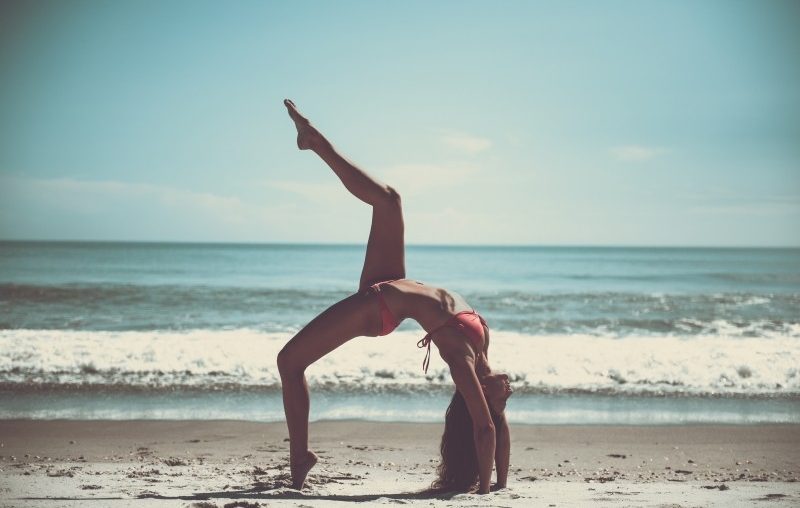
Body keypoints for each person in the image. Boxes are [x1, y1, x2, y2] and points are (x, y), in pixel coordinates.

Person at [277, 99, 513, 494]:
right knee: (390, 200)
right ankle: (314, 141)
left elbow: (487, 428)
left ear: (482, 395)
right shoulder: (482, 341)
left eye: (504, 399)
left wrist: (487, 490)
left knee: (288, 362)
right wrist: (503, 482)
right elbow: (496, 426)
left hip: (379, 307)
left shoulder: (463, 361)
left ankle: (300, 457)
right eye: (508, 396)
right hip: (392, 284)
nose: (510, 389)